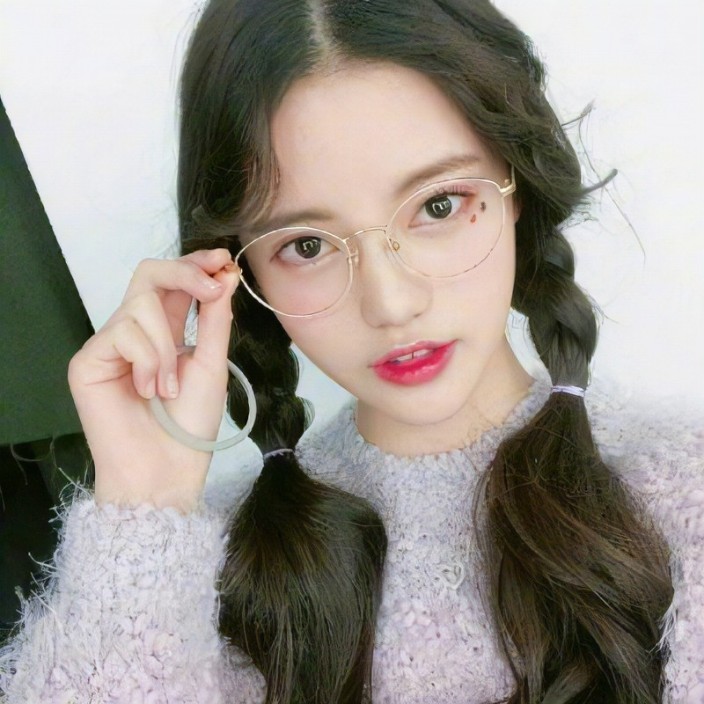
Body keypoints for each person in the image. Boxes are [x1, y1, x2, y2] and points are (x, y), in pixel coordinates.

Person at [1, 0, 702, 702]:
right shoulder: (198, 571)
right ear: (240, 269)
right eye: (307, 245)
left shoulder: (683, 492)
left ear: (516, 183)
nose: (391, 302)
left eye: (437, 205)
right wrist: (143, 511)